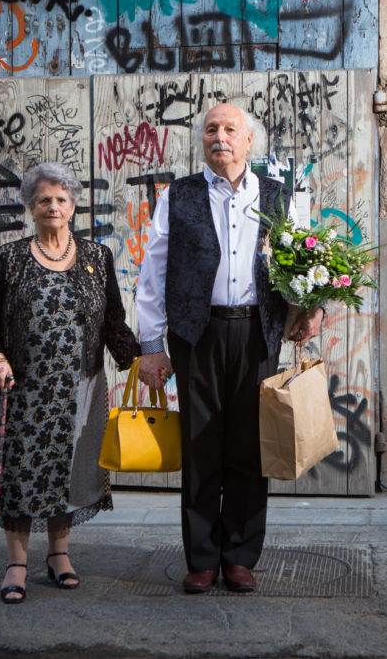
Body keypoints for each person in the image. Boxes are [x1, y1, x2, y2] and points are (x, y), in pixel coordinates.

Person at [136, 103, 323, 594]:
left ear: (248, 141)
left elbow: (303, 259)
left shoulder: (277, 195)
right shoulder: (179, 195)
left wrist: (311, 308)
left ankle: (239, 556)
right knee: (201, 445)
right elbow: (153, 272)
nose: (220, 137)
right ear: (203, 139)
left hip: (257, 333)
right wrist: (152, 345)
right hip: (196, 334)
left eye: (230, 129)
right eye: (211, 129)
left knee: (249, 446)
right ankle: (202, 558)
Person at [0, 162, 140, 605]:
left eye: (61, 199)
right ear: (31, 206)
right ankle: (16, 563)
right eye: (44, 199)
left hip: (81, 389)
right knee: (20, 474)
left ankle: (59, 555)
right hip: (23, 389)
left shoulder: (97, 258)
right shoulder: (9, 259)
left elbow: (113, 323)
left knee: (69, 471)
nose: (53, 206)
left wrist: (143, 361)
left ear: (73, 206)